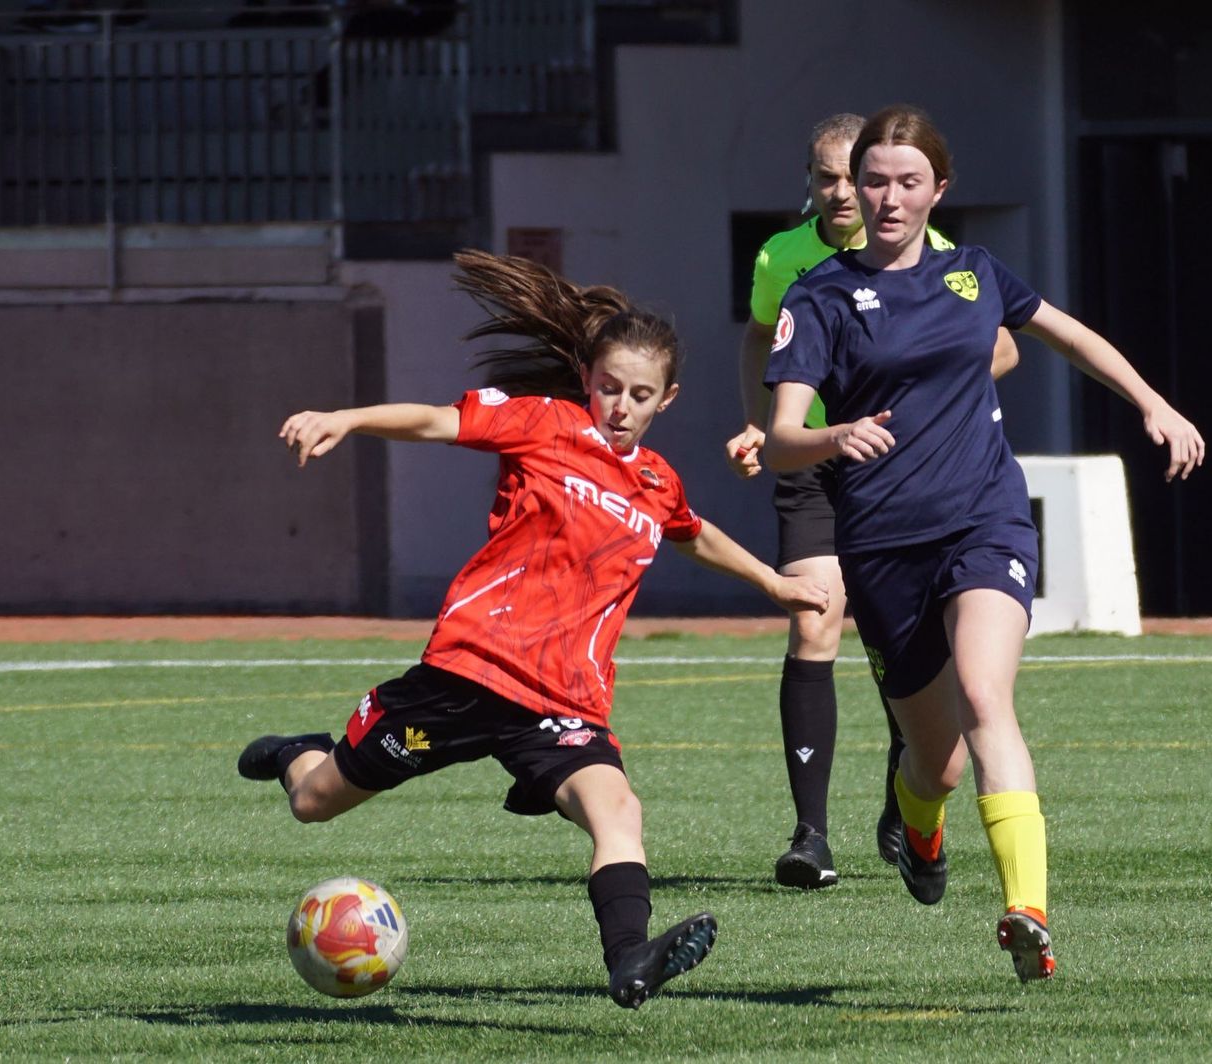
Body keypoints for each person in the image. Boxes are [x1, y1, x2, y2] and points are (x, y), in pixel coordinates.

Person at [238, 250, 828, 1008]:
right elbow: (436, 420)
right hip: (465, 675)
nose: (619, 405)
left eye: (638, 394)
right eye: (608, 387)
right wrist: (346, 418)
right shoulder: (543, 424)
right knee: (314, 802)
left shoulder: (655, 481)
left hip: (563, 703)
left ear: (666, 400)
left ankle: (629, 960)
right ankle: (297, 752)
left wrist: (776, 583)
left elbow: (689, 531)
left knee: (617, 811)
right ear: (587, 380)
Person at [761, 105, 1204, 982]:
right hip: (883, 544)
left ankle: (1027, 912)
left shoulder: (975, 273)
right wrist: (833, 435)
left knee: (984, 694)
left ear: (939, 189)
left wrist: (1153, 402)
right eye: (873, 180)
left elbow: (1066, 333)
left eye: (907, 182)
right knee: (939, 763)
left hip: (984, 519)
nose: (887, 198)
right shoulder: (817, 294)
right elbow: (779, 436)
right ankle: (918, 825)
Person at [724, 113, 1019, 890]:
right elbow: (761, 339)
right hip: (813, 457)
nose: (844, 194)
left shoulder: (948, 260)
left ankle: (911, 799)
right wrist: (759, 425)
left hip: (900, 469)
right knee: (814, 619)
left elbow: (1001, 343)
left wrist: (927, 411)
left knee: (921, 667)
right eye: (827, 178)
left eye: (847, 176)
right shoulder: (785, 261)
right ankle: (810, 835)